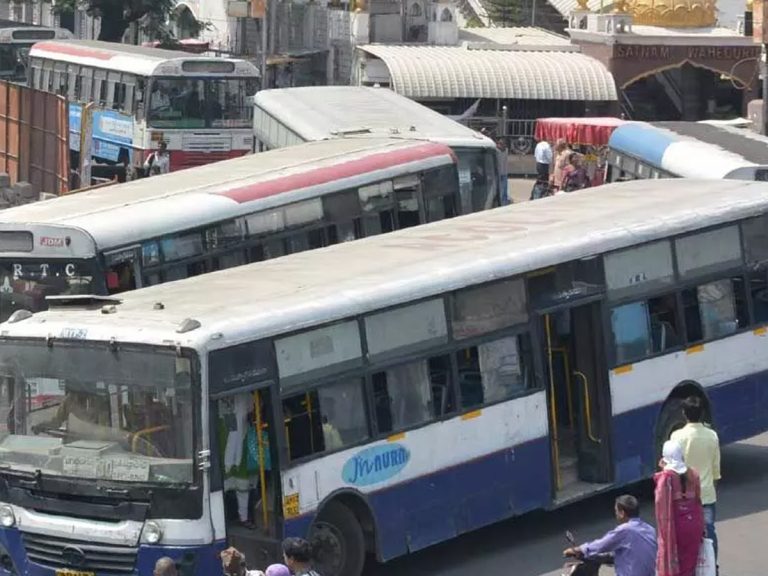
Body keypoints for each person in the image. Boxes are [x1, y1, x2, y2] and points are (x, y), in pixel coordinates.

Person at [670, 397, 721, 564]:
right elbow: (715, 468)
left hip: (685, 496)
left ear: (684, 413)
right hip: (706, 494)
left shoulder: (677, 437)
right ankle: (712, 567)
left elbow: (674, 468)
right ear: (702, 414)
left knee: (685, 534)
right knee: (709, 533)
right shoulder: (712, 435)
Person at [564, 494, 657, 576]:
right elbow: (631, 553)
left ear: (622, 513)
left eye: (616, 511)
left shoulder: (626, 530)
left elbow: (602, 545)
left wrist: (577, 550)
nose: (615, 514)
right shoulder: (650, 529)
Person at [655, 440, 705, 576]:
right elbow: (698, 500)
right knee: (689, 566)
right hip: (695, 524)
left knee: (675, 566)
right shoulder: (693, 474)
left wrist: (662, 470)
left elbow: (661, 503)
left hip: (676, 528)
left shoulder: (666, 479)